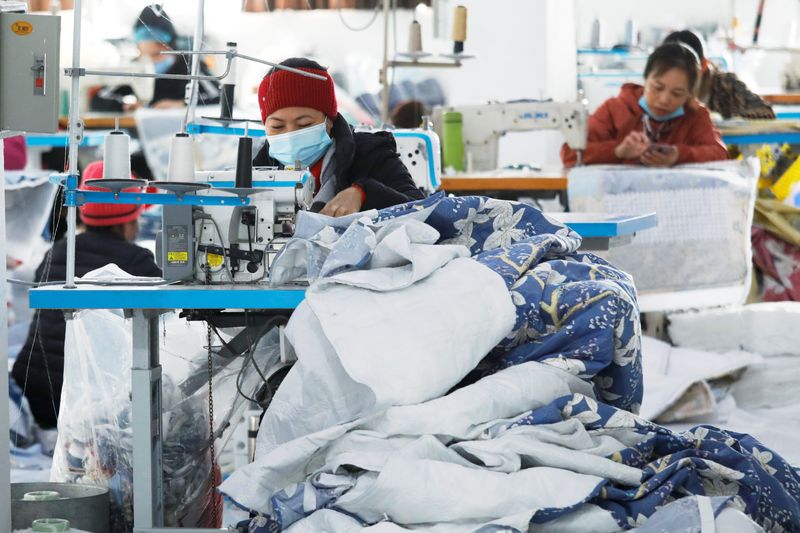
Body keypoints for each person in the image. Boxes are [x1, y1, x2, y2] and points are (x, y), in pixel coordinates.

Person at [12, 161, 161, 429]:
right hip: (87, 402)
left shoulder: (57, 252)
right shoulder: (139, 263)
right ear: (132, 216)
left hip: (34, 391)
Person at [253, 58, 425, 217]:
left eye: (304, 124)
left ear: (330, 121)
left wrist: (363, 192)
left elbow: (420, 206)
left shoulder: (370, 154)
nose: (290, 136)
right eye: (277, 126)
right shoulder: (257, 170)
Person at [561, 42, 729, 167]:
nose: (664, 99)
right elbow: (570, 154)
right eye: (658, 87)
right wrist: (618, 151)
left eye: (677, 93)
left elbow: (720, 155)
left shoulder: (695, 116)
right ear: (645, 79)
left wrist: (679, 154)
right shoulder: (615, 109)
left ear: (689, 94)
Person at [91, 5, 220, 112]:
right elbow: (99, 99)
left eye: (157, 54)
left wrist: (181, 105)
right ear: (138, 49)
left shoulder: (190, 65)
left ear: (169, 45)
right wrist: (125, 105)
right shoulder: (135, 69)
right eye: (147, 57)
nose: (152, 63)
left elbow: (221, 97)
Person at [664, 30, 775, 120]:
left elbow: (766, 112)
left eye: (683, 69)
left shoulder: (726, 85)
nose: (675, 76)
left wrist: (726, 121)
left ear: (703, 65)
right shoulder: (660, 90)